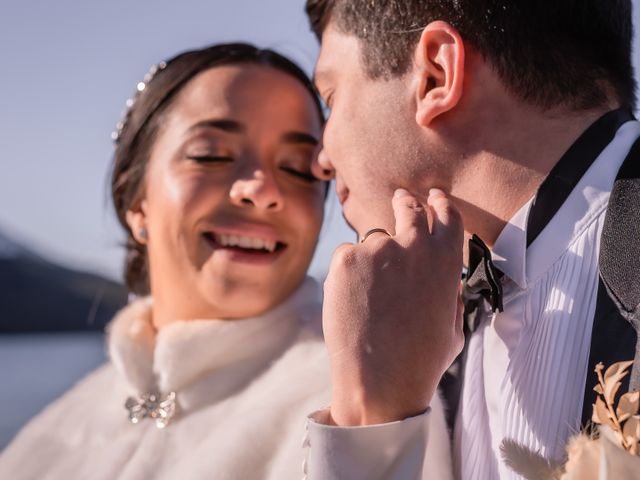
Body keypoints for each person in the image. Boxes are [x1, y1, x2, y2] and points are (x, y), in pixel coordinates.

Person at [0, 42, 450, 479]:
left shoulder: (364, 401)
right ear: (135, 200)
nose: (262, 190)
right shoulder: (51, 434)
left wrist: (369, 430)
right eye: (211, 155)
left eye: (297, 166)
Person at [300, 1, 639, 479]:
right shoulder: (423, 331)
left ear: (435, 76)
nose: (321, 160)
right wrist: (377, 414)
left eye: (332, 98)